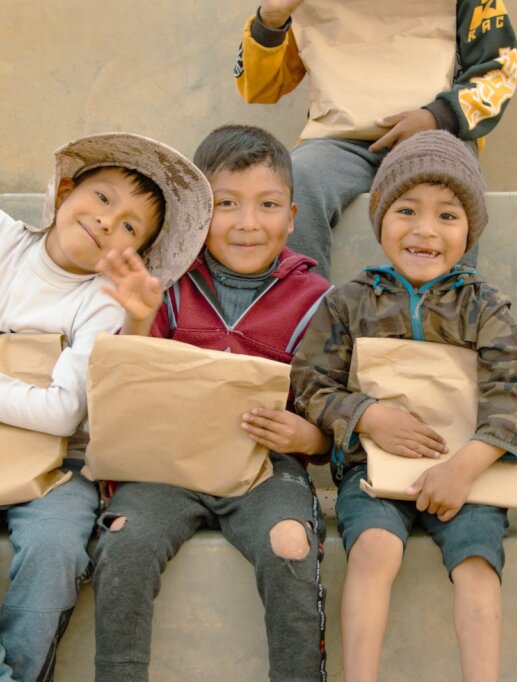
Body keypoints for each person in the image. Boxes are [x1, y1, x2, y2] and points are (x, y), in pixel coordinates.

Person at [0, 11, 212, 681]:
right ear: (64, 191)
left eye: (130, 227)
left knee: (58, 551)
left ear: (137, 254)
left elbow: (63, 414)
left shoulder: (101, 302)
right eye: (101, 197)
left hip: (55, 470)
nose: (106, 222)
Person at [291, 130, 517, 681]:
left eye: (447, 215)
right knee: (373, 550)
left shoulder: (483, 307)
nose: (425, 229)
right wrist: (368, 415)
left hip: (469, 474)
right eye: (406, 210)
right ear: (379, 217)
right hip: (374, 469)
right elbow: (310, 382)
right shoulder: (348, 303)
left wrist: (465, 466)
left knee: (477, 562)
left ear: (469, 232)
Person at [91, 124, 333, 682]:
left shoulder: (317, 301)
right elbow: (129, 391)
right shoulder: (169, 285)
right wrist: (138, 320)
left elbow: (331, 407)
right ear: (200, 212)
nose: (248, 222)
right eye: (226, 204)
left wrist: (309, 437)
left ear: (292, 217)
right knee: (125, 536)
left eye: (267, 204)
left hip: (265, 468)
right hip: (168, 465)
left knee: (290, 541)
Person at [234, 0, 517, 278]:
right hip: (338, 141)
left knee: (450, 185)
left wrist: (438, 117)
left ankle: (449, 304)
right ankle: (304, 302)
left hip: (435, 136)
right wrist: (271, 21)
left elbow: (497, 71)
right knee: (296, 182)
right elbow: (260, 87)